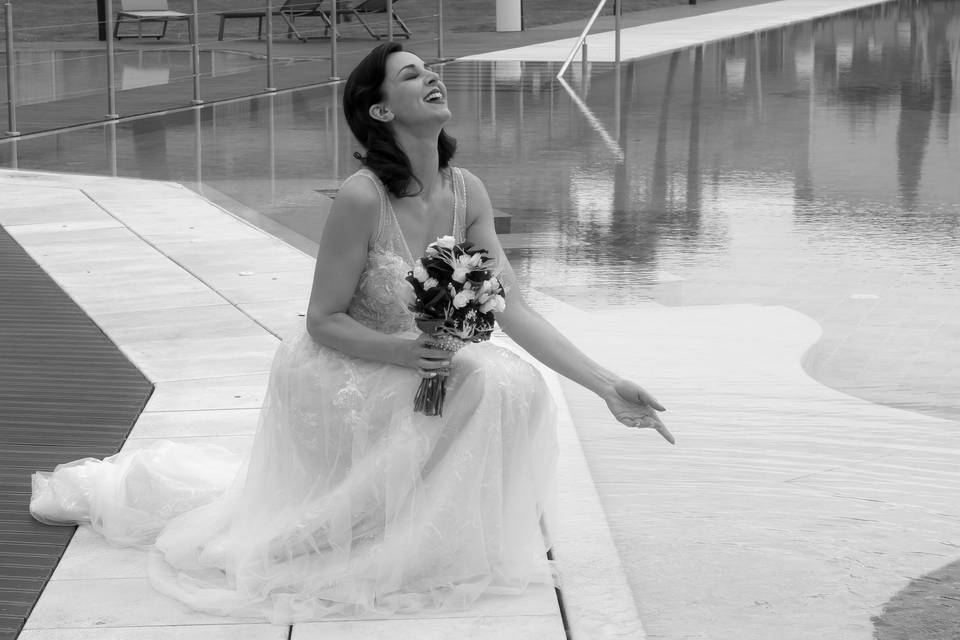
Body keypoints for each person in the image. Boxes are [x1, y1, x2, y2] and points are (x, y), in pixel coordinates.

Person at [29, 42, 672, 624]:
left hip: (423, 360)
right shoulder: (362, 197)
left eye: (430, 68)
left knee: (516, 381)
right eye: (411, 74)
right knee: (480, 376)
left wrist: (607, 385)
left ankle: (430, 540)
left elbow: (514, 307)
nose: (432, 77)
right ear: (382, 111)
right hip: (346, 363)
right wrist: (403, 350)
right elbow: (322, 319)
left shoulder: (465, 190)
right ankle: (386, 540)